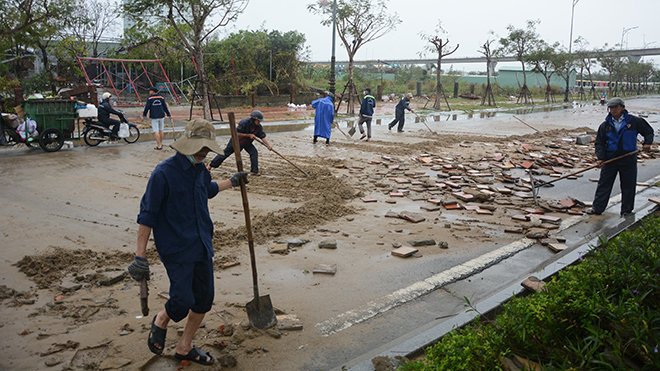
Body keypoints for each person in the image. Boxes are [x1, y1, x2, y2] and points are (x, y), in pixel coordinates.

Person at [127, 119, 249, 366]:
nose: (203, 154)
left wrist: (233, 182)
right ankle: (162, 319)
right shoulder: (163, 174)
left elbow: (208, 190)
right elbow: (147, 215)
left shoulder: (201, 170)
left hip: (202, 244)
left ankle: (185, 346)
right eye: (200, 149)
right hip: (176, 248)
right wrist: (140, 256)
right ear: (186, 145)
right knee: (182, 302)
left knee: (204, 299)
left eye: (206, 150)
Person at [586, 97, 654, 217]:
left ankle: (626, 210)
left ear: (622, 107)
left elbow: (648, 131)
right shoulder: (605, 125)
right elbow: (600, 143)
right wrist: (601, 158)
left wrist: (647, 143)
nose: (613, 110)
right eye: (611, 108)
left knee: (628, 185)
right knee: (604, 184)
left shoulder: (634, 122)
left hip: (628, 158)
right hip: (610, 159)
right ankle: (597, 208)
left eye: (615, 107)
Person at [208, 110, 272, 175]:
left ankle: (254, 171)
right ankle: (210, 166)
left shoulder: (258, 127)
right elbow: (236, 133)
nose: (259, 122)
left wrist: (268, 145)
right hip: (236, 141)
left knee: (254, 152)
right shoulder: (244, 123)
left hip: (247, 143)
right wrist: (248, 135)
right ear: (253, 119)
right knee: (225, 154)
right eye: (258, 120)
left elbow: (262, 136)